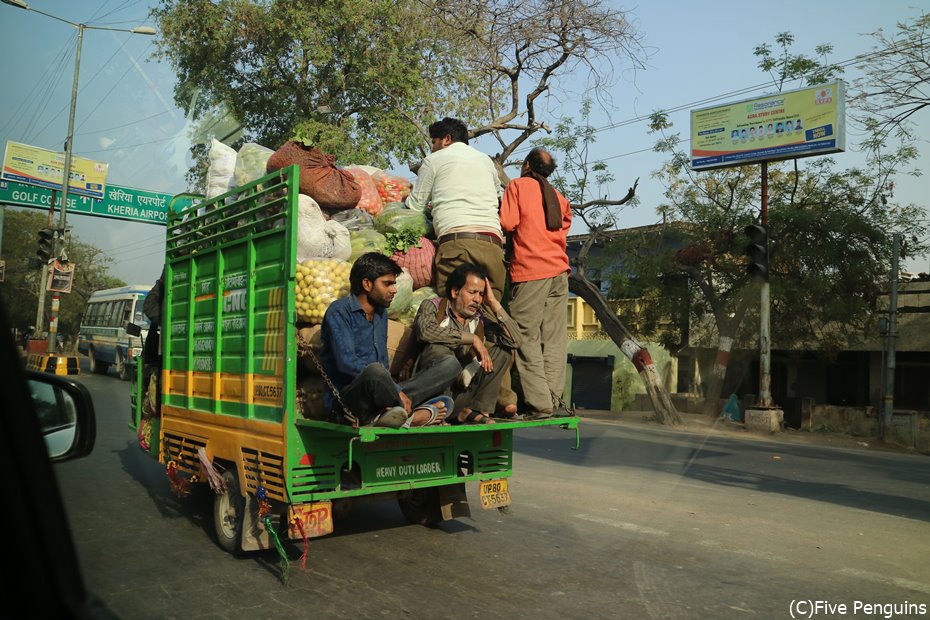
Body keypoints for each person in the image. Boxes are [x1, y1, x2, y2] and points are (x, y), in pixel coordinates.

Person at [321, 252, 460, 427]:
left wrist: (396, 390)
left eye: (393, 284)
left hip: (381, 393)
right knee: (375, 371)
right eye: (387, 284)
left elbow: (384, 366)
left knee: (450, 365)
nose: (394, 289)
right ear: (366, 284)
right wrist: (395, 390)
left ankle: (392, 413)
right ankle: (409, 417)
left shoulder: (380, 314)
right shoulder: (339, 311)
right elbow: (347, 363)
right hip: (348, 402)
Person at [499, 147, 573, 419]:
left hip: (532, 271)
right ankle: (555, 400)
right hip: (559, 273)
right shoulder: (560, 198)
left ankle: (540, 404)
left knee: (523, 335)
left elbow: (507, 222)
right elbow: (562, 230)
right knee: (554, 338)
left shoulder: (518, 186)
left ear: (527, 165)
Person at [405, 117, 506, 301]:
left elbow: (414, 206)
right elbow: (497, 197)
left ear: (446, 139)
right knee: (490, 313)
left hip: (458, 244)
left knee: (454, 313)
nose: (432, 148)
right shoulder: (486, 161)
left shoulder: (434, 160)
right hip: (493, 246)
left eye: (434, 142)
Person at [412, 262, 522, 424]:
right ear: (455, 292)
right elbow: (426, 332)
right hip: (432, 396)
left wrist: (494, 304)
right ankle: (435, 412)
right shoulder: (434, 306)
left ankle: (473, 410)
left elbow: (515, 341)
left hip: (463, 392)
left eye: (481, 294)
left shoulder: (479, 318)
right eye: (472, 292)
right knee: (439, 349)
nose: (477, 299)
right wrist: (472, 339)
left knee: (503, 353)